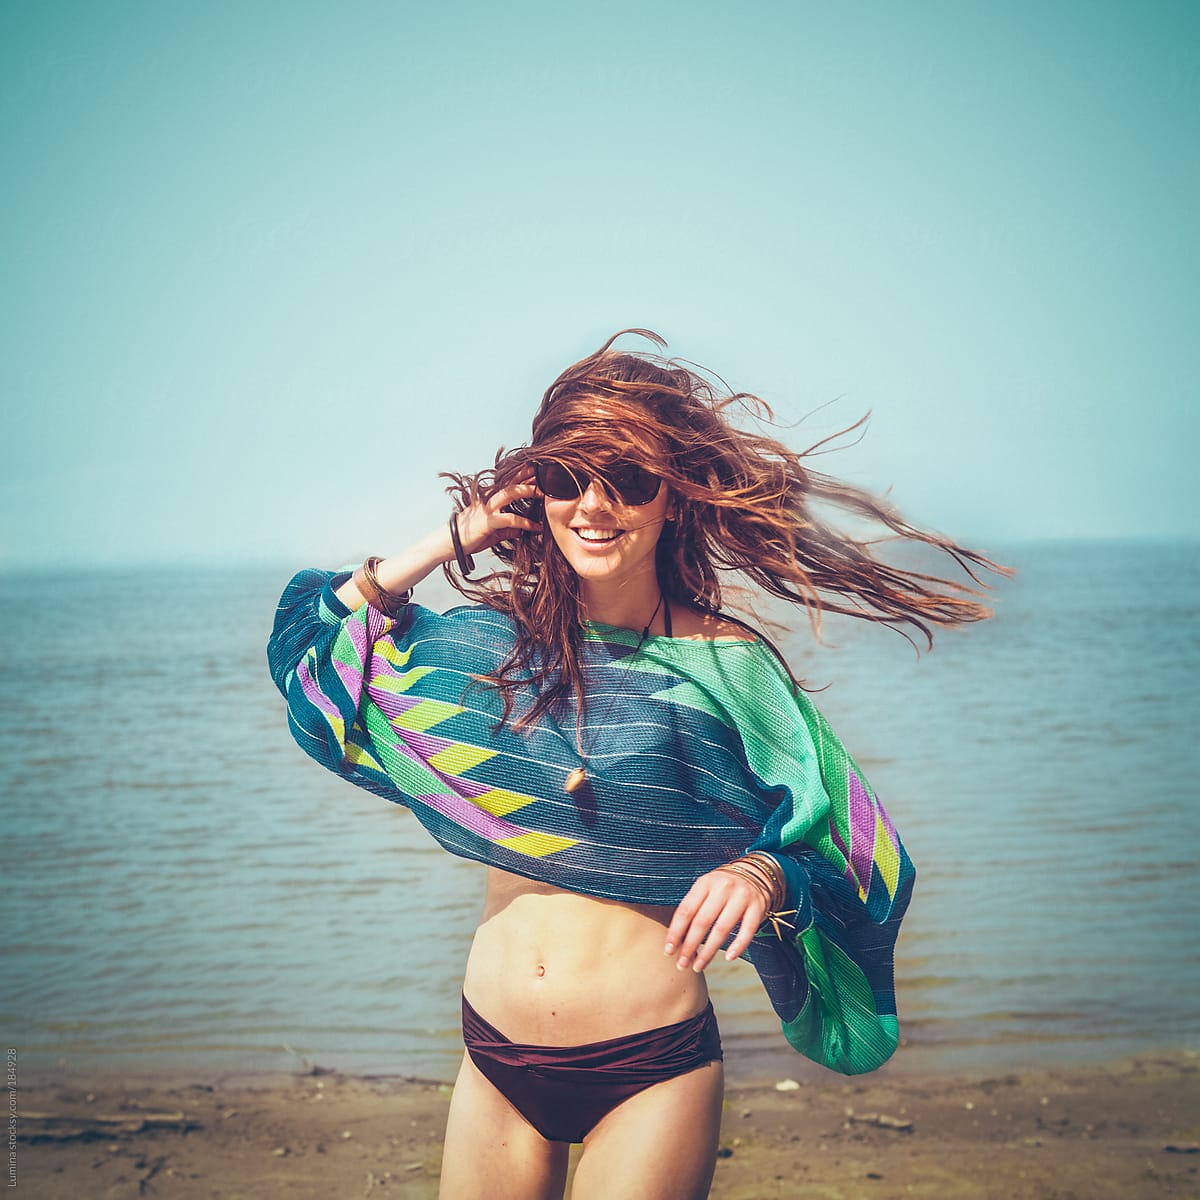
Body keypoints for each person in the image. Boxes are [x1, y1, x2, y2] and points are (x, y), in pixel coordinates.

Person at [267, 329, 1001, 1200]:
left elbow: (850, 845)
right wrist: (447, 541)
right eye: (570, 479)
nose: (595, 505)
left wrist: (765, 873)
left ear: (674, 499)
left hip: (649, 1069)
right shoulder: (483, 647)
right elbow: (313, 654)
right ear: (536, 494)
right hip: (493, 1060)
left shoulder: (727, 667)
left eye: (629, 480)